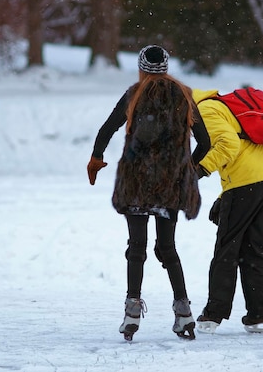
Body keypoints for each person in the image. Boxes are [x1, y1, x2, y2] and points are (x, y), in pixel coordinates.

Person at [86, 45, 211, 341]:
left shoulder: (134, 94)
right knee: (167, 248)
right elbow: (204, 142)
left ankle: (131, 314)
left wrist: (96, 158)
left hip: (136, 183)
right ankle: (184, 314)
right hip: (169, 184)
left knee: (137, 247)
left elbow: (107, 129)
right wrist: (186, 169)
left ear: (141, 68)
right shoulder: (184, 95)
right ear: (166, 67)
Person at [193, 88, 263, 334]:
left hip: (246, 182)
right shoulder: (220, 105)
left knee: (226, 247)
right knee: (253, 248)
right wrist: (224, 196)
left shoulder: (205, 110)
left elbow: (229, 145)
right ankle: (262, 315)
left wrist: (197, 172)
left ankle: (213, 315)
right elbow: (241, 144)